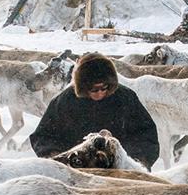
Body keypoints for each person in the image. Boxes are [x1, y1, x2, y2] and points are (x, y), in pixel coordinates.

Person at [28, 52, 160, 169]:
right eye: (94, 89)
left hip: (119, 169)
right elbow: (43, 136)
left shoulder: (125, 97)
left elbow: (146, 133)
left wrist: (136, 160)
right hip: (79, 170)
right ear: (83, 87)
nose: (100, 92)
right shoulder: (66, 100)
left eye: (104, 87)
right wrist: (59, 160)